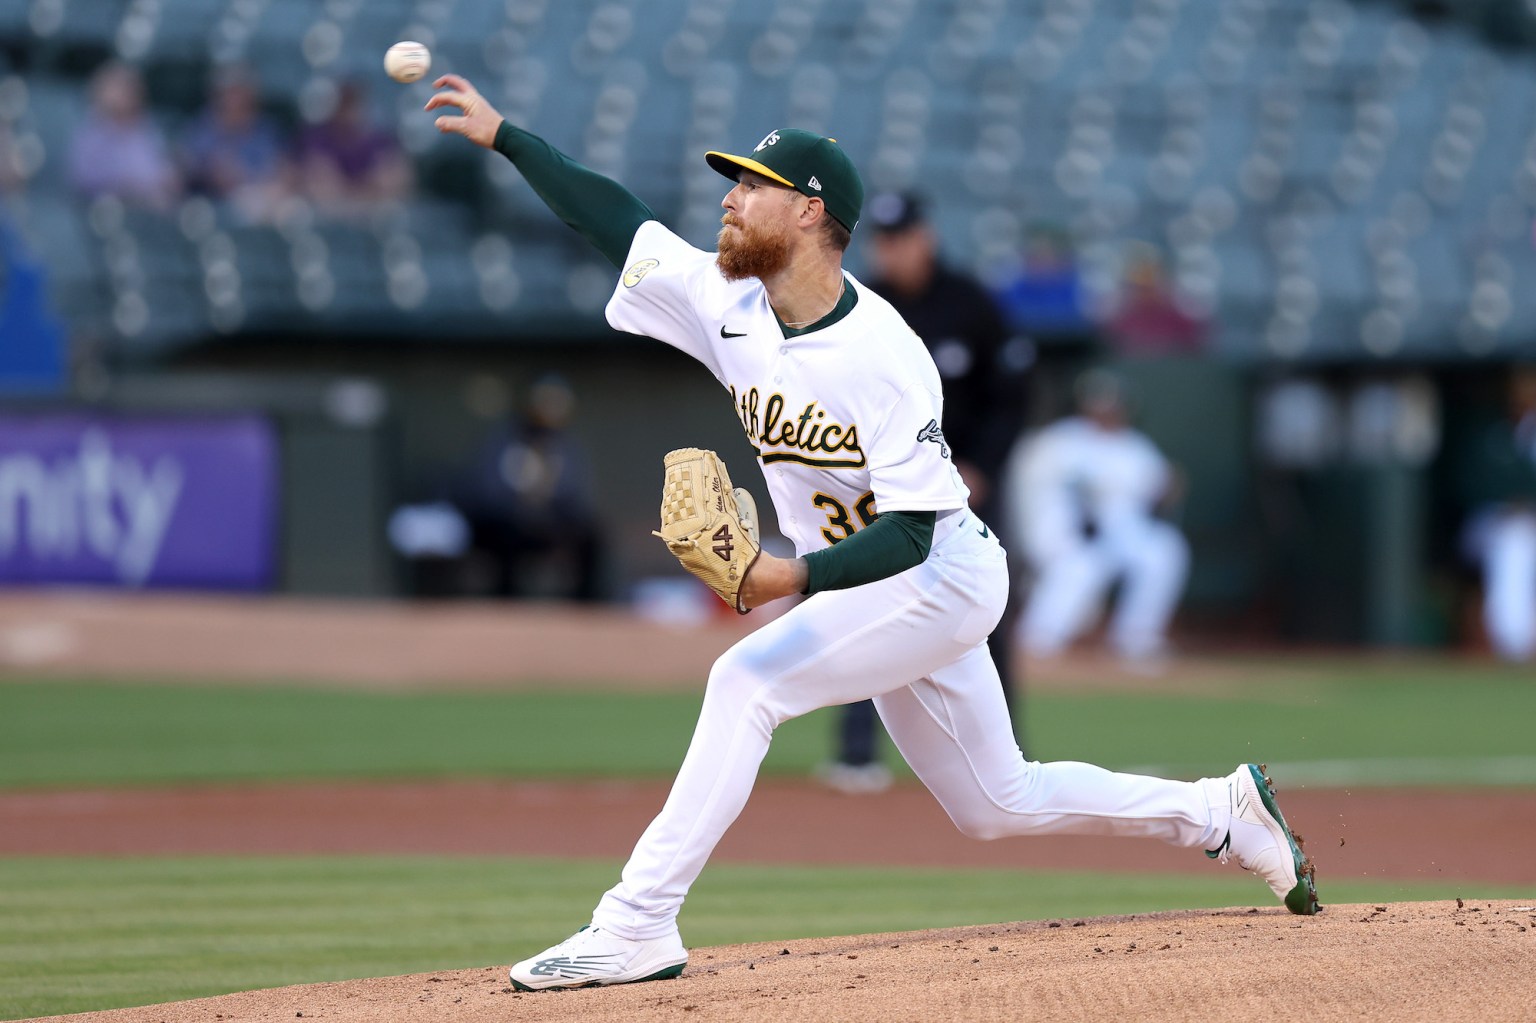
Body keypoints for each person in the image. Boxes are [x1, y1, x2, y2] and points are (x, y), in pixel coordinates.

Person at [424, 72, 1319, 992]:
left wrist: (788, 579)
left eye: (750, 187)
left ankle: (636, 923)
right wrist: (508, 139)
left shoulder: (885, 356)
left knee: (745, 681)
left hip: (937, 575)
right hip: (882, 584)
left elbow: (916, 534)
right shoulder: (726, 301)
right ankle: (1220, 811)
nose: (728, 201)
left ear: (810, 213)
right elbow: (613, 219)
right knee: (996, 801)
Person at [820, 191, 1031, 794]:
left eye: (903, 236)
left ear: (926, 237)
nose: (894, 250)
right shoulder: (861, 305)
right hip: (886, 487)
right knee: (865, 601)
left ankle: (1001, 748)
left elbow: (1011, 398)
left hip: (968, 483)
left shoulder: (971, 305)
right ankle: (857, 751)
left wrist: (984, 465)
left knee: (988, 608)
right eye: (884, 240)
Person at [1012, 369, 1189, 669]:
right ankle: (1038, 641)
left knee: (1164, 551)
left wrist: (1170, 484)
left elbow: (1163, 486)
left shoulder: (1135, 446)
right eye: (1098, 403)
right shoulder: (1061, 440)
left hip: (1120, 532)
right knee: (1080, 564)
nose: (1105, 411)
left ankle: (1136, 639)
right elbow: (1036, 492)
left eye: (1112, 404)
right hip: (1064, 531)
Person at [453, 374, 605, 602]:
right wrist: (524, 512)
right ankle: (506, 604)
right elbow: (489, 493)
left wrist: (550, 517)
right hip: (506, 523)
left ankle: (586, 605)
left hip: (547, 523)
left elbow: (572, 494)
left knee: (590, 535)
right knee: (505, 535)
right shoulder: (503, 441)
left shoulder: (564, 446)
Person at [1455, 366, 1536, 662]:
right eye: (1519, 389)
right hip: (1494, 522)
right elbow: (1469, 483)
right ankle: (1514, 646)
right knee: (1515, 542)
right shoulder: (1492, 433)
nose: (1524, 397)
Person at [178, 65, 290, 222]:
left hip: (263, 195)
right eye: (230, 92)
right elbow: (193, 165)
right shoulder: (202, 128)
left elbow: (281, 168)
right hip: (213, 201)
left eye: (240, 92)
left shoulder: (265, 129)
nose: (235, 99)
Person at [67, 61, 180, 209]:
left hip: (154, 214)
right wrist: (128, 188)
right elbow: (82, 180)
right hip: (108, 215)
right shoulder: (91, 136)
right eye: (124, 89)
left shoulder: (148, 129)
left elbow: (161, 171)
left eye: (133, 89)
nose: (132, 95)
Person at [294, 80, 412, 214]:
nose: (350, 113)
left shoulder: (380, 141)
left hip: (371, 216)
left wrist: (353, 194)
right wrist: (367, 190)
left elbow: (394, 184)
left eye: (354, 105)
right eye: (345, 105)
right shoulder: (316, 139)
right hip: (328, 217)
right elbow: (323, 189)